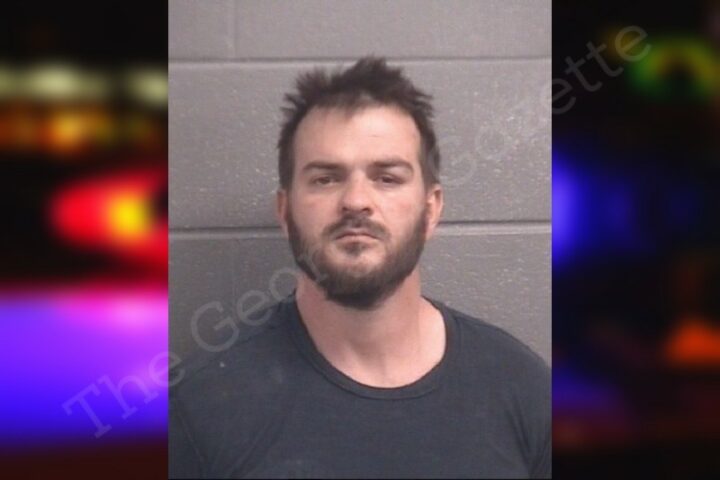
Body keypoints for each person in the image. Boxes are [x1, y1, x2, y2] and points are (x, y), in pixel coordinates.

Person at [169, 56, 550, 479]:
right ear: (285, 211)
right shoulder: (202, 404)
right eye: (326, 178)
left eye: (387, 178)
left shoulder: (523, 389)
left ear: (431, 210)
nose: (355, 201)